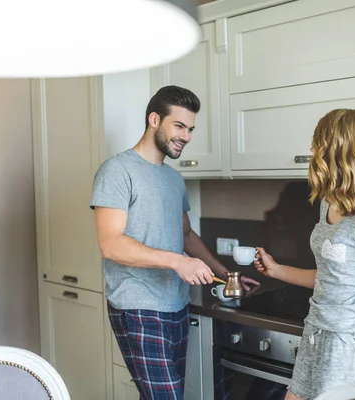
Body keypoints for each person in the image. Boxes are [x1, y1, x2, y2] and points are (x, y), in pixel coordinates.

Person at [90, 85, 259, 399]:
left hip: (176, 304)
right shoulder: (117, 171)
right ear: (154, 119)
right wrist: (177, 261)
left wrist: (226, 273)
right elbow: (110, 244)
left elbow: (185, 236)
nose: (186, 136)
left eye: (191, 128)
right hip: (138, 306)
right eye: (179, 126)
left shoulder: (173, 179)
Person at [254, 109, 355, 400]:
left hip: (346, 347)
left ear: (341, 149)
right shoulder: (328, 203)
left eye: (318, 142)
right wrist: (277, 270)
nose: (312, 150)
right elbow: (331, 277)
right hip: (315, 334)